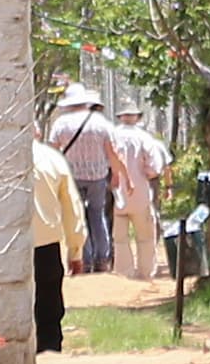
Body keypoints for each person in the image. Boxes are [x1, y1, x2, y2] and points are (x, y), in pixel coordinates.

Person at [49, 84, 119, 274]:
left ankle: (84, 258)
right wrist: (117, 174)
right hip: (98, 175)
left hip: (71, 176)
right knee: (98, 215)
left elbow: (53, 151)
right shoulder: (101, 122)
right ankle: (102, 258)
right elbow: (111, 151)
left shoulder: (61, 123)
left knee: (78, 216)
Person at [108, 104, 174, 283]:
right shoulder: (146, 139)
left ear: (120, 116)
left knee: (120, 238)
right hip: (141, 193)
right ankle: (146, 273)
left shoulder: (112, 136)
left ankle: (124, 273)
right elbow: (153, 168)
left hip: (117, 193)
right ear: (137, 117)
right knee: (145, 236)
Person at [30, 129, 81, 354]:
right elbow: (72, 208)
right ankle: (48, 351)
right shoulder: (51, 159)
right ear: (38, 133)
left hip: (4, 247)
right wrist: (75, 250)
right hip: (46, 246)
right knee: (48, 305)